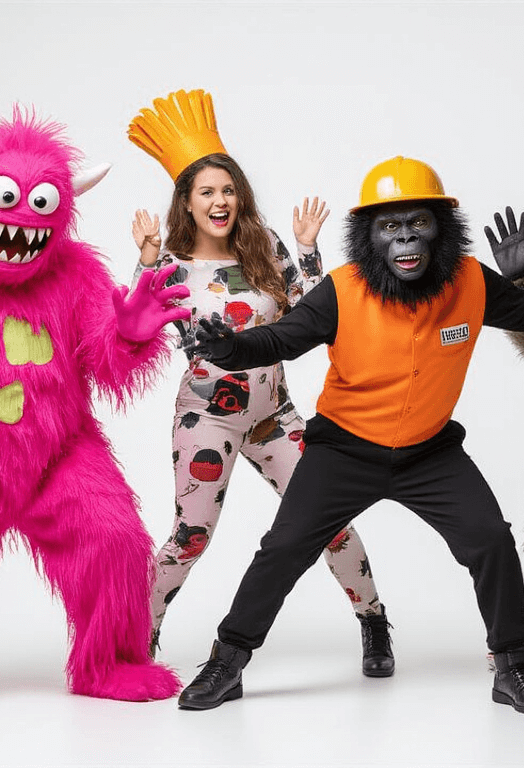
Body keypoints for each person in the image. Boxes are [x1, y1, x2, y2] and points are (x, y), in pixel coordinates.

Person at [176, 156, 524, 715]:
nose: (405, 237)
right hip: (344, 450)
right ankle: (227, 662)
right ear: (369, 238)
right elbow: (278, 339)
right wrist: (232, 349)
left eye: (417, 223)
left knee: (491, 541)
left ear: (441, 230)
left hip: (431, 453)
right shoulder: (342, 291)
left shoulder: (470, 280)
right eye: (390, 227)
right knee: (282, 549)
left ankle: (514, 668)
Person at [127, 88, 393, 677]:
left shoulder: (264, 248)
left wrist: (304, 250)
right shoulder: (171, 266)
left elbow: (311, 311)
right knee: (190, 534)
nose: (220, 201)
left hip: (275, 415)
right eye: (207, 192)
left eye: (228, 190)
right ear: (187, 203)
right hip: (208, 416)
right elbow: (135, 331)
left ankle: (373, 620)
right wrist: (145, 265)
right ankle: (133, 638)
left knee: (330, 523)